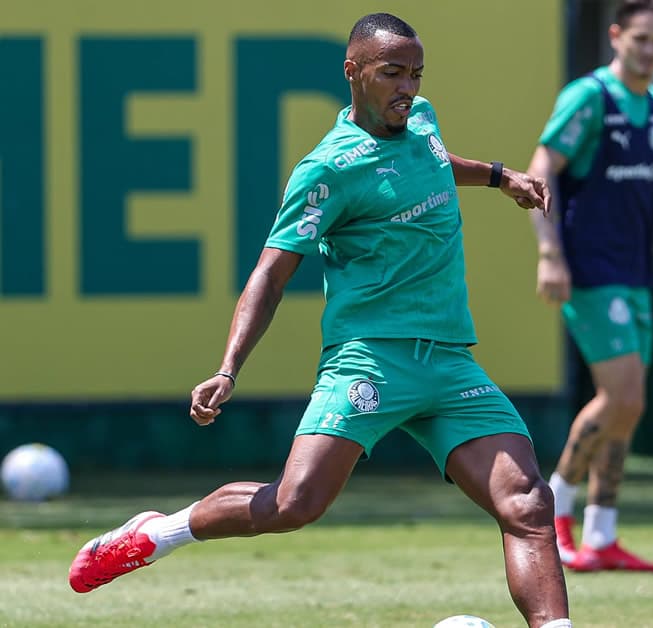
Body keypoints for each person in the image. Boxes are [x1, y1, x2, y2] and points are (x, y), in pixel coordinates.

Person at [67, 13, 572, 628]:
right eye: (392, 73)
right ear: (353, 71)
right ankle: (157, 533)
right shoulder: (327, 170)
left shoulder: (422, 120)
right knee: (295, 503)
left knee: (528, 503)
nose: (407, 87)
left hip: (448, 362)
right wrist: (228, 368)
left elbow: (434, 162)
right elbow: (269, 276)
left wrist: (498, 176)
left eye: (416, 74)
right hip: (370, 360)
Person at [526, 0, 653, 573]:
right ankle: (551, 511)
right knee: (621, 397)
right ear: (616, 35)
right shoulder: (589, 97)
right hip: (590, 272)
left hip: (636, 275)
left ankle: (601, 534)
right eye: (639, 38)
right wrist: (550, 253)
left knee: (630, 406)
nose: (649, 50)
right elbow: (541, 168)